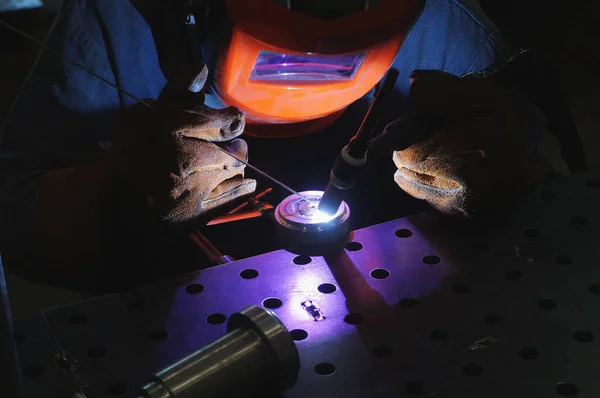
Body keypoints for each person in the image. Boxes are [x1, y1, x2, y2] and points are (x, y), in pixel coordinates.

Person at [0, 0, 544, 293]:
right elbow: (16, 225)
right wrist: (112, 189)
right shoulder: (124, 20)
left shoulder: (445, 28)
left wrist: (490, 180)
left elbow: (536, 218)